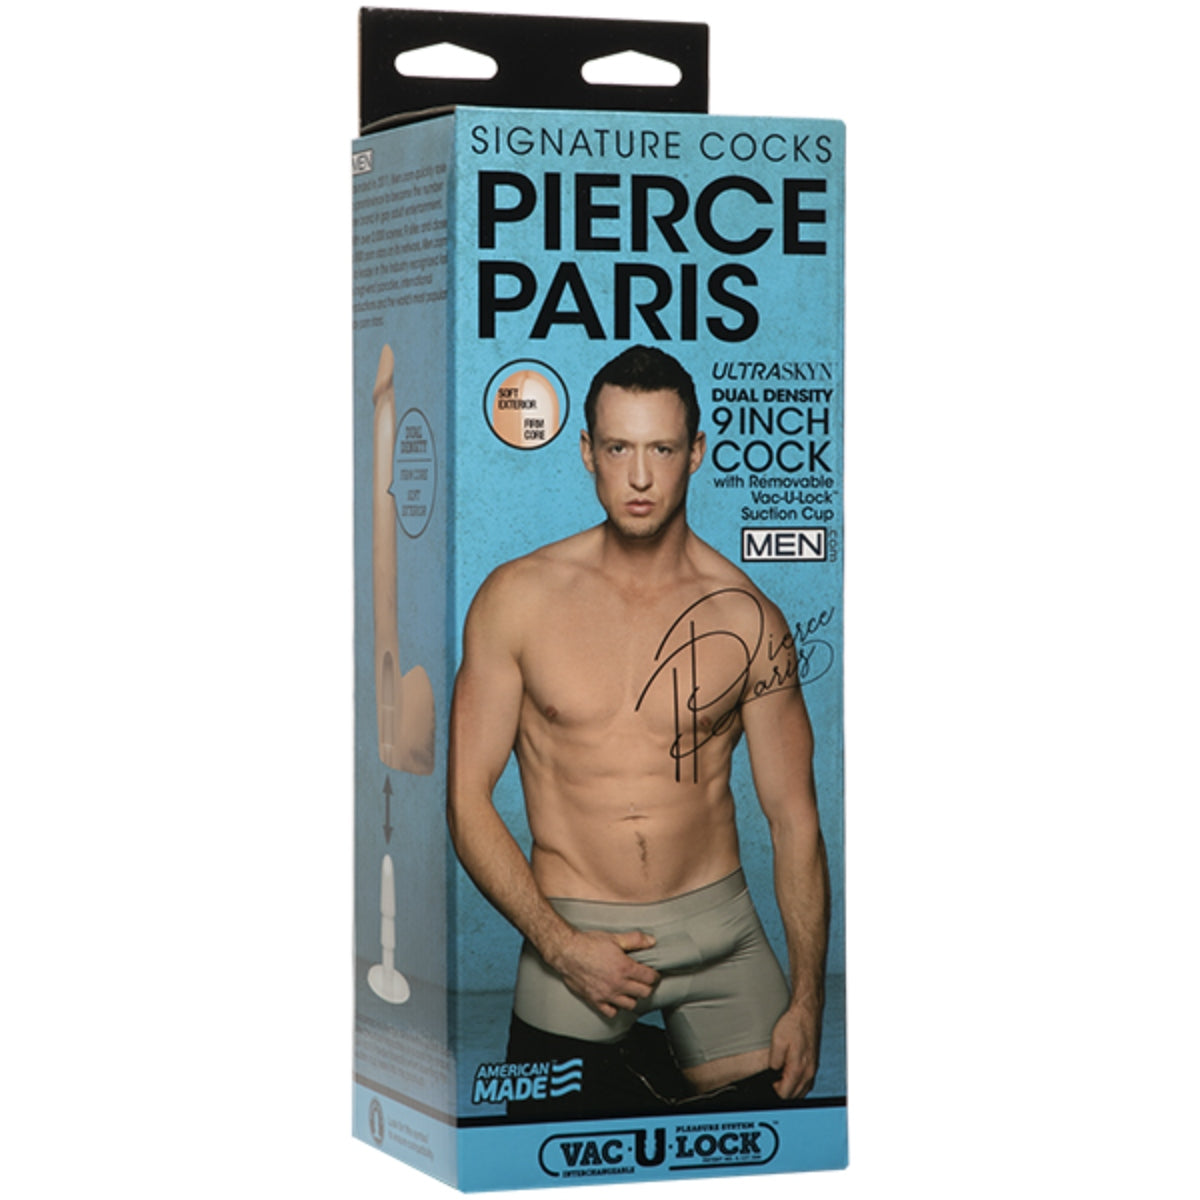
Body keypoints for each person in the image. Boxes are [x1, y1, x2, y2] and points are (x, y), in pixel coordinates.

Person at [448, 345, 829, 1115]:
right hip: (576, 929)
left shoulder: (747, 619)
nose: (641, 477)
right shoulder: (515, 599)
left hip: (722, 935)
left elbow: (794, 820)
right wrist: (560, 946)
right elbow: (466, 800)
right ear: (587, 451)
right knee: (551, 1144)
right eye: (620, 449)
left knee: (765, 1133)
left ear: (697, 453)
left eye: (662, 449)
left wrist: (807, 1000)